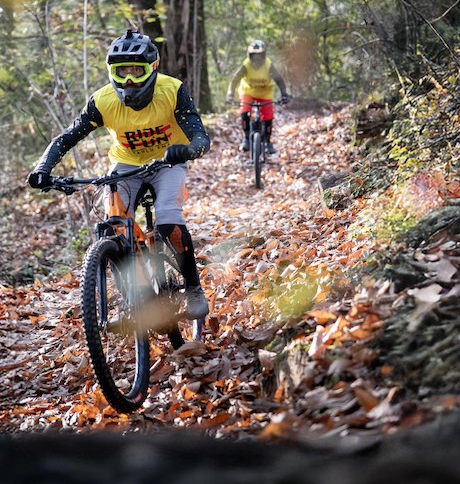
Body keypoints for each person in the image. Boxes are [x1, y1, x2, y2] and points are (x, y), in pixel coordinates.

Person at [27, 30, 211, 319]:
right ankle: (132, 294)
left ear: (152, 68)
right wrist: (43, 167)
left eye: (135, 71)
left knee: (166, 217)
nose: (128, 80)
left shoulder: (172, 90)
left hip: (167, 163)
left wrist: (187, 150)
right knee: (113, 225)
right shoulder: (102, 101)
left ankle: (193, 287)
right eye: (121, 71)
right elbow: (67, 138)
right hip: (125, 166)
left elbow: (200, 137)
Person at [225, 39, 290, 154]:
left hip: (265, 93)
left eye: (259, 56)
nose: (256, 59)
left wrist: (284, 94)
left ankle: (268, 142)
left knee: (268, 116)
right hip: (248, 92)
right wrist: (230, 93)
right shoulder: (246, 65)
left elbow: (279, 80)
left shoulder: (268, 65)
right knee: (244, 112)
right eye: (254, 56)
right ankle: (246, 139)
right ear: (249, 55)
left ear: (264, 55)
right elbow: (234, 80)